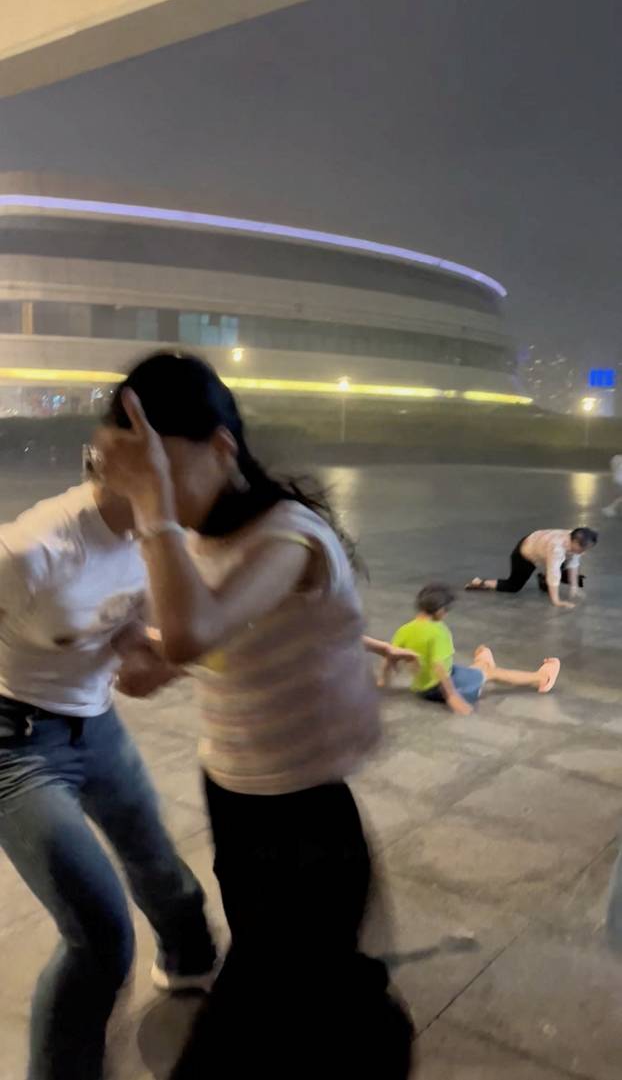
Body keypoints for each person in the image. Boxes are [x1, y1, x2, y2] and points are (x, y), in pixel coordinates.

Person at [97, 352, 414, 1080]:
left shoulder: (288, 534)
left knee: (249, 1019)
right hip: (237, 803)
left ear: (222, 448)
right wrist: (122, 648)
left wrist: (149, 511)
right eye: (144, 476)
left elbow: (191, 631)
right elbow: (178, 656)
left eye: (166, 472)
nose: (160, 498)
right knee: (304, 990)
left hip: (305, 825)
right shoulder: (201, 539)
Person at [0, 470, 217, 1080]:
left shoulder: (156, 540)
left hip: (96, 726)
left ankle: (190, 959)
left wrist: (143, 656)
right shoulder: (31, 548)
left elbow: (118, 621)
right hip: (14, 746)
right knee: (99, 936)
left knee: (155, 859)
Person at [382, 583, 561, 715]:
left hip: (420, 687)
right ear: (441, 611)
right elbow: (439, 667)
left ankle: (482, 664)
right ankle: (541, 679)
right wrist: (452, 697)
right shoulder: (439, 632)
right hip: (440, 688)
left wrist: (384, 680)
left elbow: (391, 655)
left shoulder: (404, 629)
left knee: (478, 668)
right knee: (492, 673)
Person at [465, 526, 598, 608]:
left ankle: (543, 579)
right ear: (574, 541)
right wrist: (556, 601)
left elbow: (574, 562)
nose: (584, 552)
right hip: (525, 554)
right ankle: (480, 583)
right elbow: (553, 572)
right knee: (513, 586)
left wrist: (574, 587)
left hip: (539, 545)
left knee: (564, 562)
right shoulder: (557, 548)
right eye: (583, 548)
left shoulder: (574, 538)